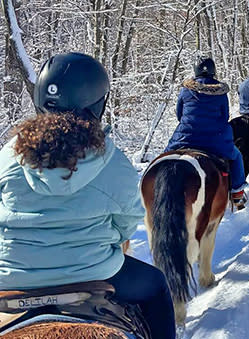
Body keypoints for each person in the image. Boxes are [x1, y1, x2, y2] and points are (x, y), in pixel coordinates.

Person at [0, 52, 175, 339]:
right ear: (97, 101)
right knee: (156, 285)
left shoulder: (9, 154)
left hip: (12, 276)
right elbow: (128, 221)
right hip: (95, 272)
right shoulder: (111, 159)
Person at [164, 57, 247, 208]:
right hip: (215, 140)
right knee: (236, 156)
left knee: (163, 159)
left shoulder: (186, 90)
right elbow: (224, 117)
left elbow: (179, 115)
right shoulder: (220, 92)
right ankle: (237, 193)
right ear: (213, 71)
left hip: (185, 137)